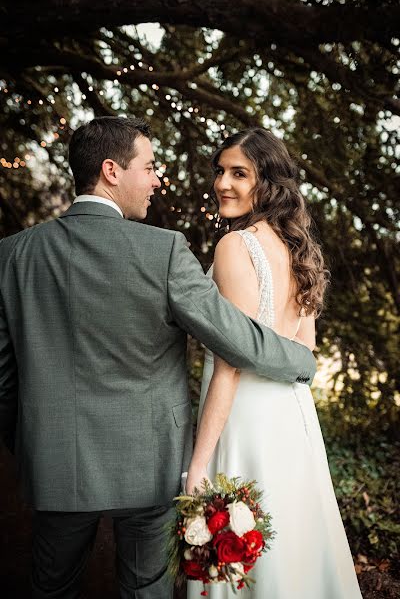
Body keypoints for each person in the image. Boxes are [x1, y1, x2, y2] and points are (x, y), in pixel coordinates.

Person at [0, 116, 316, 599]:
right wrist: (302, 361)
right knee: (146, 592)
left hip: (54, 460)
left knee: (50, 588)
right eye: (148, 167)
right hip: (149, 468)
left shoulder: (13, 254)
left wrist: (29, 438)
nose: (155, 180)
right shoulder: (164, 251)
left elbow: (3, 377)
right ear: (111, 170)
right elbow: (238, 339)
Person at [186, 128, 363, 598]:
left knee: (249, 561)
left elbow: (231, 361)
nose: (223, 182)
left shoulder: (235, 246)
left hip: (245, 419)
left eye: (239, 173)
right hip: (294, 416)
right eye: (220, 171)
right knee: (296, 548)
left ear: (268, 182)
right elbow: (305, 354)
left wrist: (198, 464)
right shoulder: (297, 249)